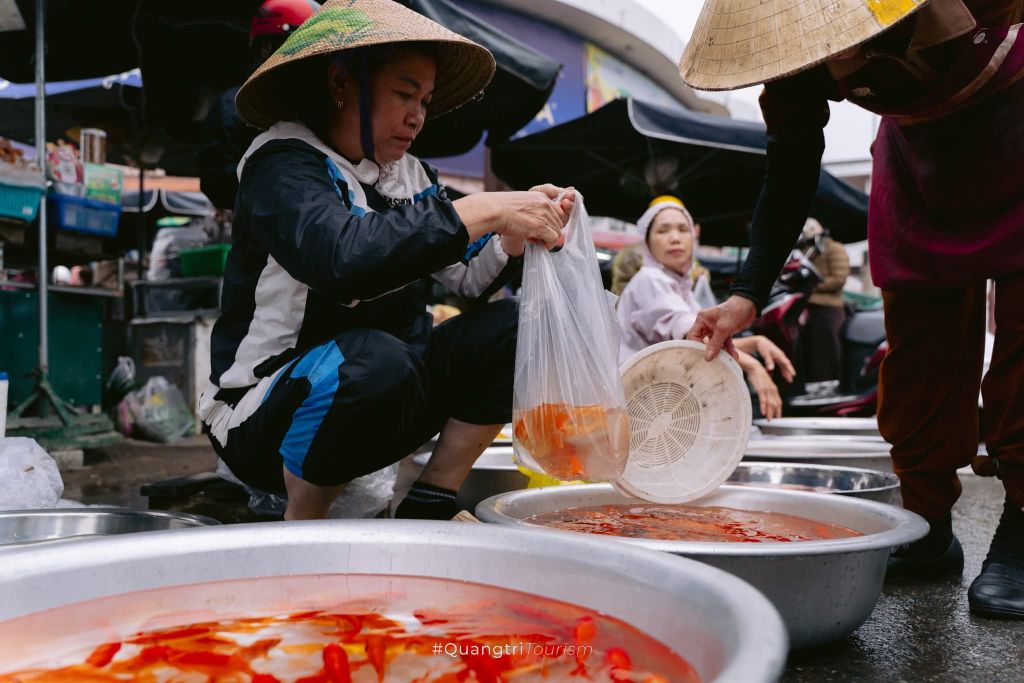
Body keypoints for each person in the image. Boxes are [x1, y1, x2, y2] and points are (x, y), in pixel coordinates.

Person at [680, 0, 1024, 617]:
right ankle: (926, 525)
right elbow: (788, 171)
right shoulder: (790, 48)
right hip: (921, 165)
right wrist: (746, 294)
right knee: (920, 361)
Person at [199, 0, 574, 522]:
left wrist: (514, 232)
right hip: (263, 416)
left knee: (520, 325)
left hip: (379, 401)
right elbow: (344, 260)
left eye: (424, 99)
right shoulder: (282, 164)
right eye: (403, 93)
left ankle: (432, 497)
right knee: (373, 360)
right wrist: (486, 207)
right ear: (340, 84)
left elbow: (469, 279)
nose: (417, 116)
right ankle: (303, 522)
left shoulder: (410, 176)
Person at [616, 196, 794, 419]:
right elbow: (690, 334)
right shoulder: (649, 280)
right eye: (663, 231)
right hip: (639, 408)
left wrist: (756, 342)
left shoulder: (682, 287)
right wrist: (753, 366)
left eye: (683, 229)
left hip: (660, 405)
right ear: (647, 241)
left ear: (693, 236)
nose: (674, 238)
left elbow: (708, 339)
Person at [198, 0, 321, 211]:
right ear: (266, 48)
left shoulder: (319, 103)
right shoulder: (231, 106)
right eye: (297, 48)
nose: (307, 60)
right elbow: (216, 184)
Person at [799, 218, 850, 388]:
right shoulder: (809, 250)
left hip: (828, 309)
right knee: (811, 352)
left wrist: (810, 286)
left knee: (826, 351)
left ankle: (829, 385)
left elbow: (838, 279)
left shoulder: (834, 249)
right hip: (808, 309)